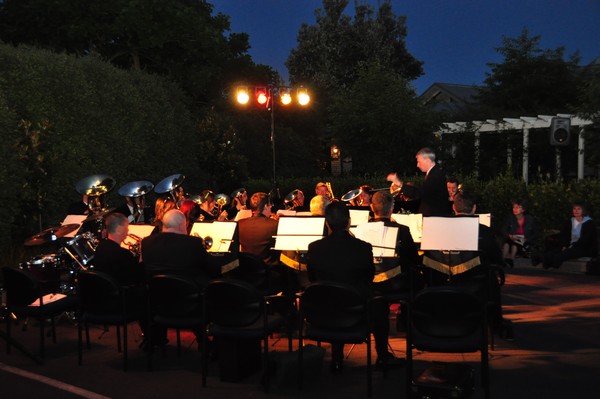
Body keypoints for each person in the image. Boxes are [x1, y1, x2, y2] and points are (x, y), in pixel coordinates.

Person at [306, 202, 402, 372]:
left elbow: (312, 279)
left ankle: (336, 358)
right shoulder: (363, 248)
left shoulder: (314, 248)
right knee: (380, 306)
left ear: (327, 223)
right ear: (349, 222)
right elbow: (369, 277)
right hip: (356, 313)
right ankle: (382, 356)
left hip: (324, 313)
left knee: (334, 297)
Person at [422, 191, 512, 338]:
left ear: (454, 208)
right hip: (475, 285)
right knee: (491, 276)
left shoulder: (439, 229)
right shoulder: (484, 230)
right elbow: (496, 258)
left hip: (442, 284)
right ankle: (495, 324)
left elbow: (427, 258)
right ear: (474, 208)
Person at [543, 202, 598, 269]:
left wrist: (573, 246)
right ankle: (544, 260)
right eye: (574, 209)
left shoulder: (589, 223)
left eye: (578, 209)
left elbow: (586, 239)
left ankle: (552, 263)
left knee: (566, 253)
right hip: (570, 245)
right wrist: (565, 245)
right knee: (556, 251)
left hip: (583, 247)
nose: (576, 211)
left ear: (583, 210)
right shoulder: (570, 222)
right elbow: (564, 235)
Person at [501, 199, 541, 267]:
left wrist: (527, 239)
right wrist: (509, 235)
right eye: (514, 207)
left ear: (523, 210)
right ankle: (502, 261)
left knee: (515, 244)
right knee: (507, 243)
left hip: (523, 242)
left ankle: (511, 260)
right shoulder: (511, 218)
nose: (515, 209)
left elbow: (536, 233)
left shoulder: (530, 219)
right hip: (512, 240)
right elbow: (503, 230)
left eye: (517, 207)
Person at [415, 147, 448, 216]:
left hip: (433, 218)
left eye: (419, 162)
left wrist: (401, 184)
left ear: (427, 160)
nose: (417, 165)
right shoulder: (434, 173)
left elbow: (422, 192)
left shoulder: (435, 175)